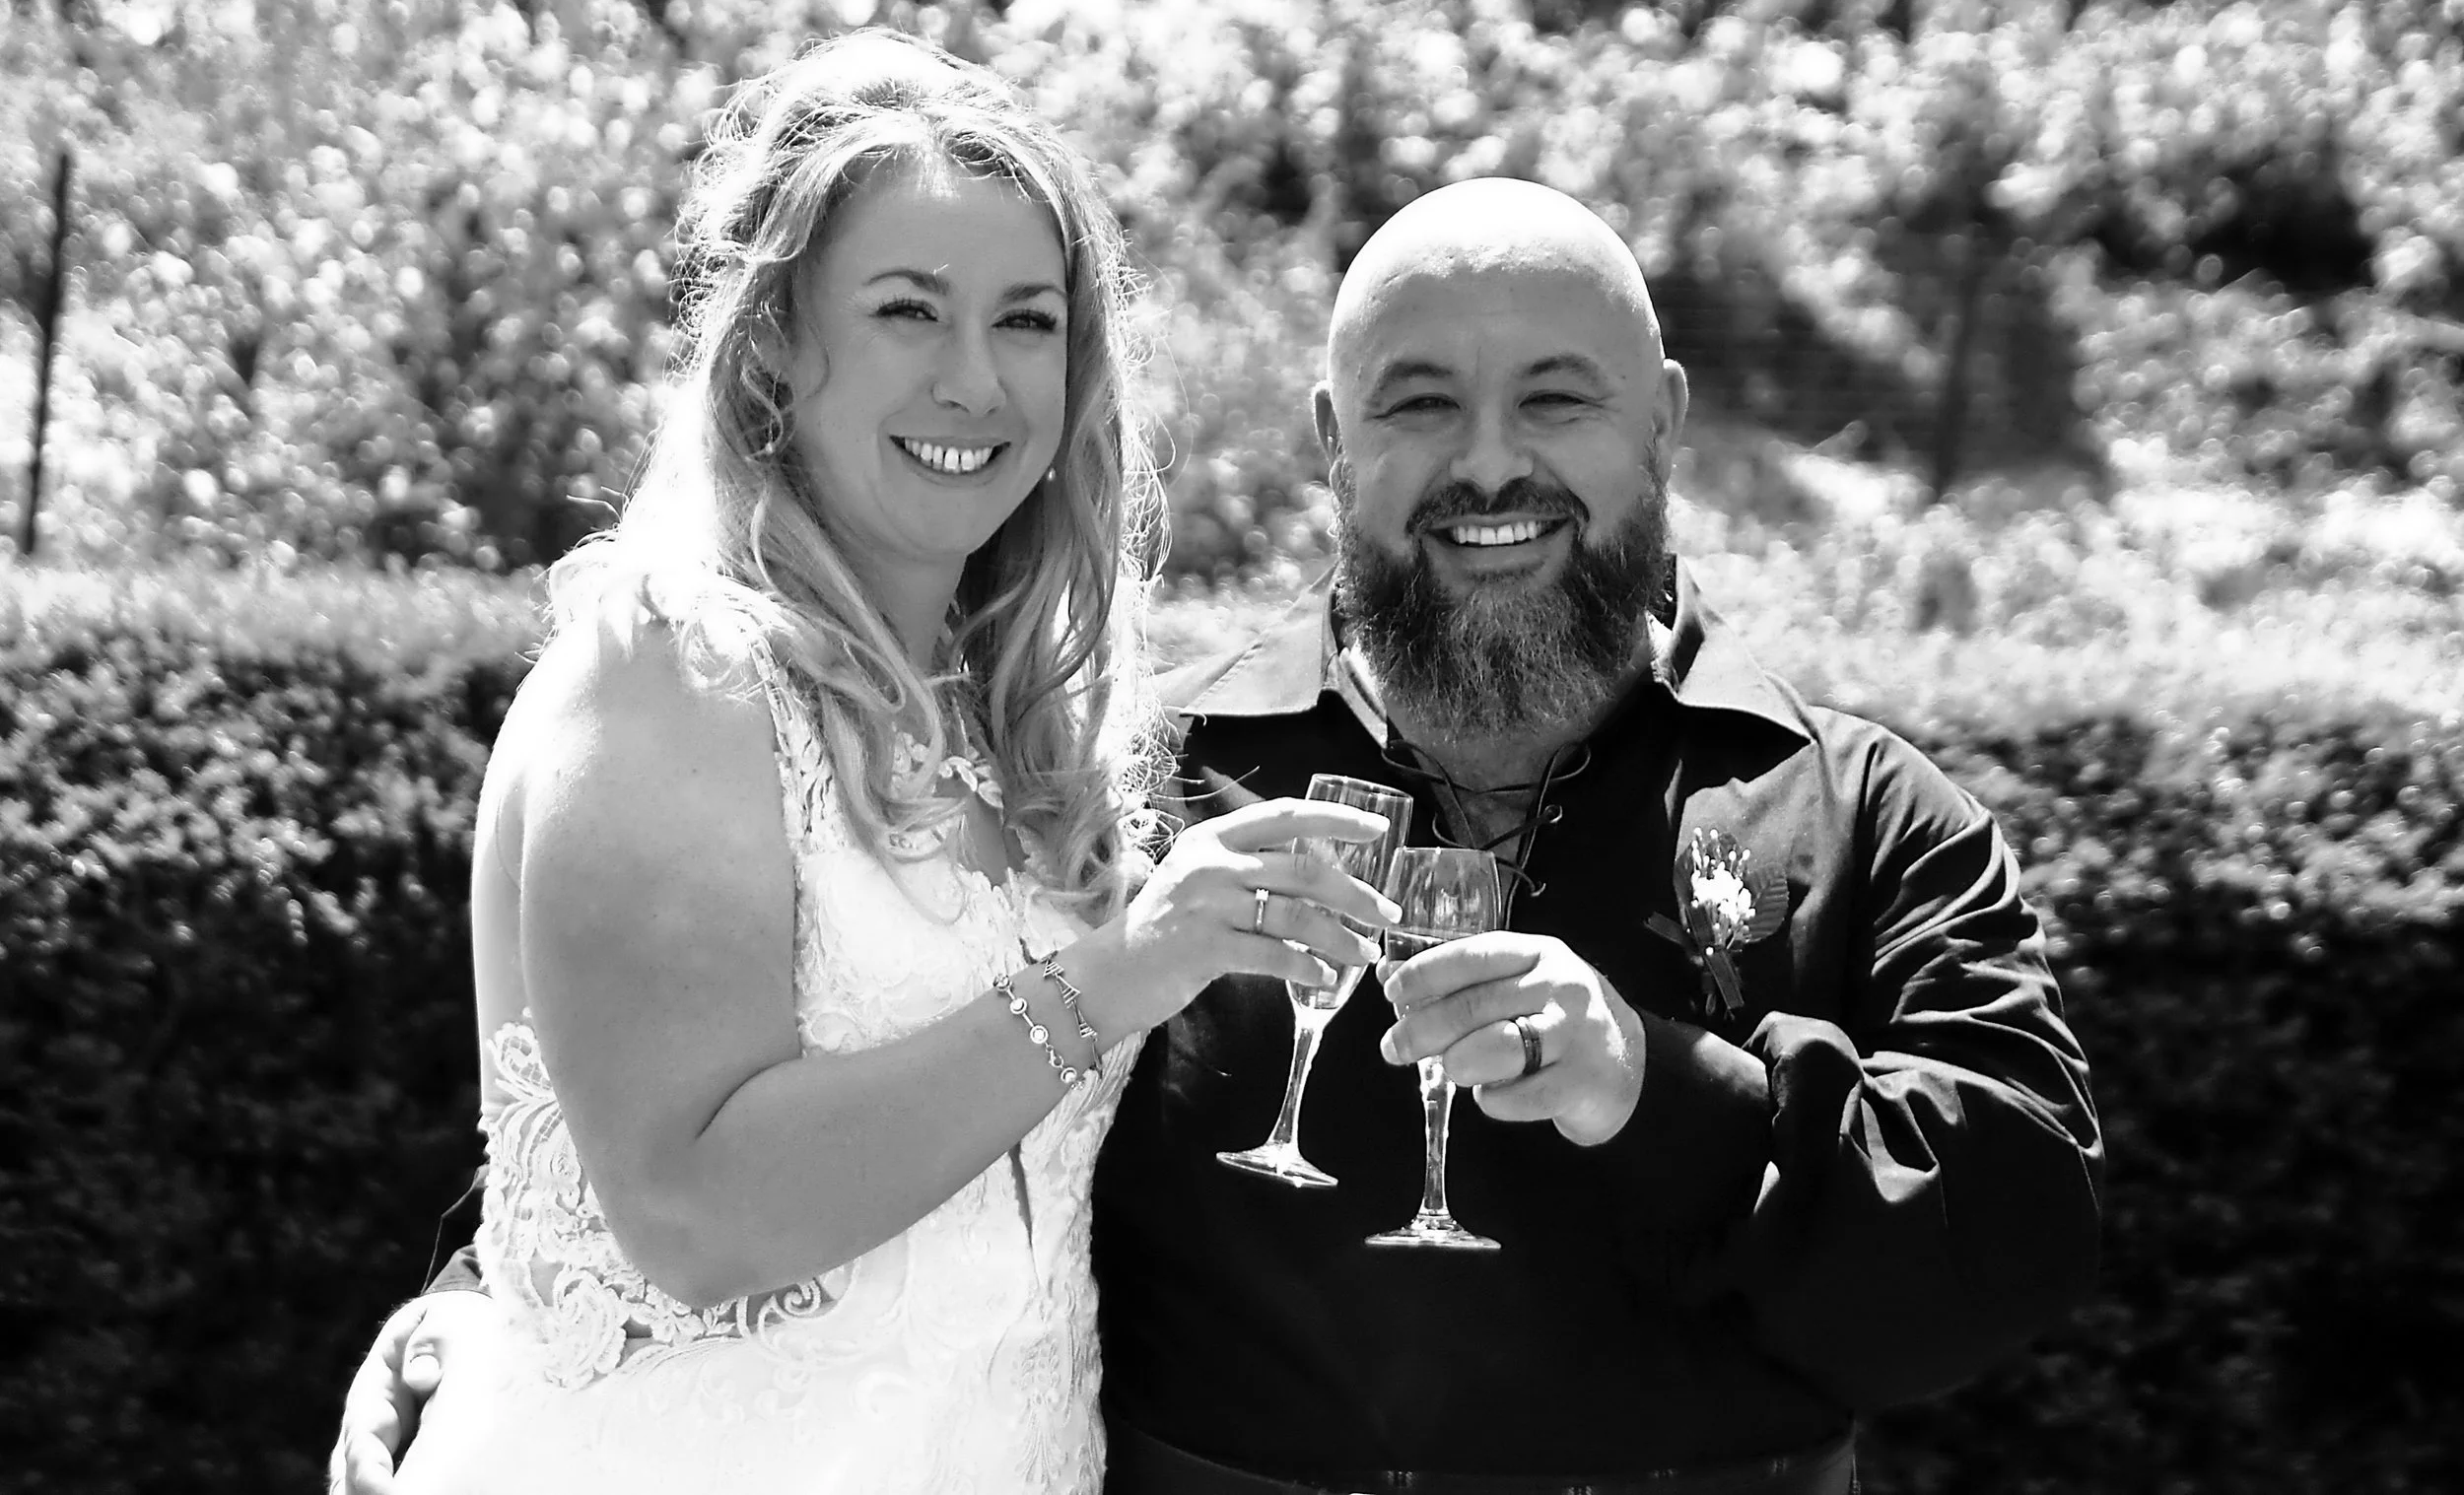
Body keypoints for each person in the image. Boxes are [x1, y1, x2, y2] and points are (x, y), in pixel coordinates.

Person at [337, 177, 2101, 1495]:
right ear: (1335, 442)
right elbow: (815, 1045)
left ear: (1667, 424)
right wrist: (491, 1305)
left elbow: (2011, 1247)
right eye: (1420, 402)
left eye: (1559, 397)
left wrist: (1662, 1090)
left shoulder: (1863, 807)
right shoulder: (1127, 774)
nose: (1491, 465)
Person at [343, 27, 1398, 1495]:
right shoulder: (676, 674)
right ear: (774, 338)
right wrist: (1124, 971)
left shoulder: (1024, 725)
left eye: (1028, 320)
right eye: (911, 309)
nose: (978, 380)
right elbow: (689, 1208)